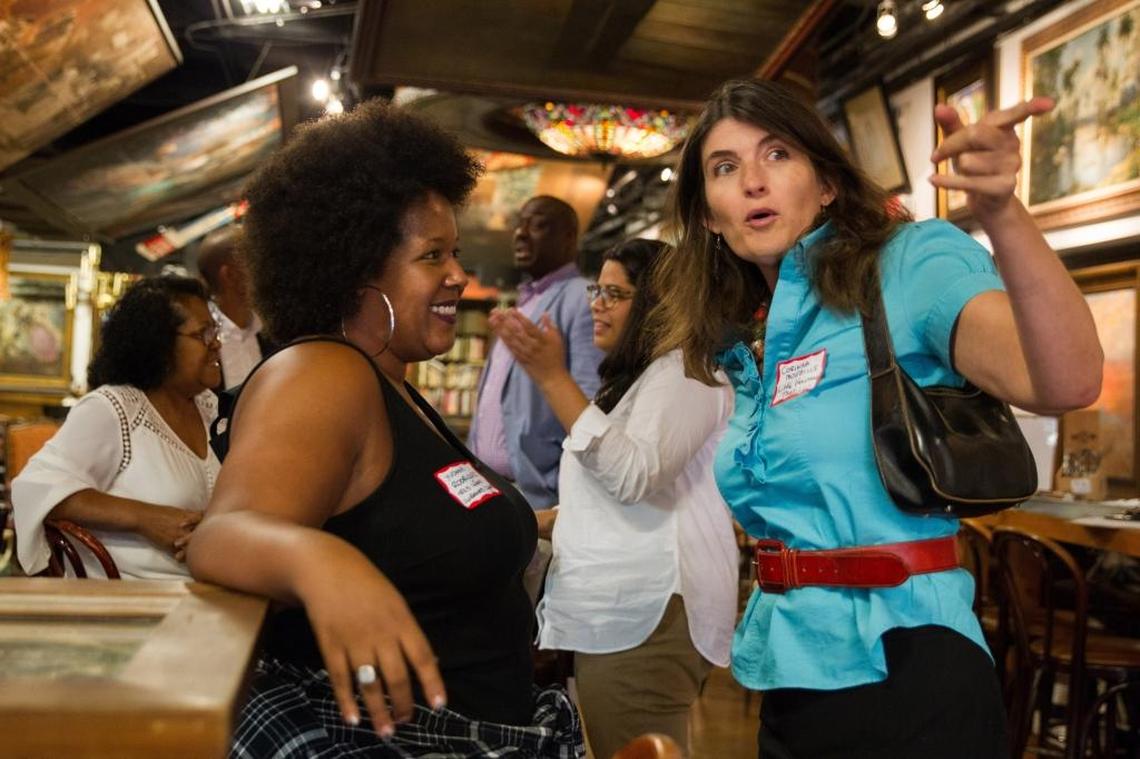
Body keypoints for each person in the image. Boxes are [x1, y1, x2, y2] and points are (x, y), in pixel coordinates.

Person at [651, 79, 1102, 758]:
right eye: (724, 167)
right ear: (709, 216)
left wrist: (1004, 214)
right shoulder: (754, 337)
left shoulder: (907, 264)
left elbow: (1066, 380)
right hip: (790, 668)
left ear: (827, 183)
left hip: (910, 662)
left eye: (777, 155)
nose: (751, 181)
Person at [185, 100, 582, 758]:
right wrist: (321, 561)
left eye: (454, 252)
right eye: (434, 256)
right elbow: (222, 533)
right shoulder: (322, 372)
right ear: (357, 269)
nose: (459, 274)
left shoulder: (394, 385)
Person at [490, 238, 738, 758]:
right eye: (595, 290)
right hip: (625, 616)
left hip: (647, 617)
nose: (596, 304)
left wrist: (552, 377)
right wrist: (530, 521)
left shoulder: (686, 374)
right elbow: (616, 502)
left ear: (656, 303)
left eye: (615, 293)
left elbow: (634, 476)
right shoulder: (644, 380)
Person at [13, 276, 221, 579]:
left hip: (211, 594)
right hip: (131, 604)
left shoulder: (211, 409)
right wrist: (145, 518)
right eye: (203, 334)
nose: (216, 343)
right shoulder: (115, 408)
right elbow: (37, 486)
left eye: (215, 331)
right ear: (160, 342)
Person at [194, 224, 274, 389]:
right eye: (254, 259)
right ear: (230, 275)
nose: (266, 267)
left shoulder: (273, 329)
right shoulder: (202, 342)